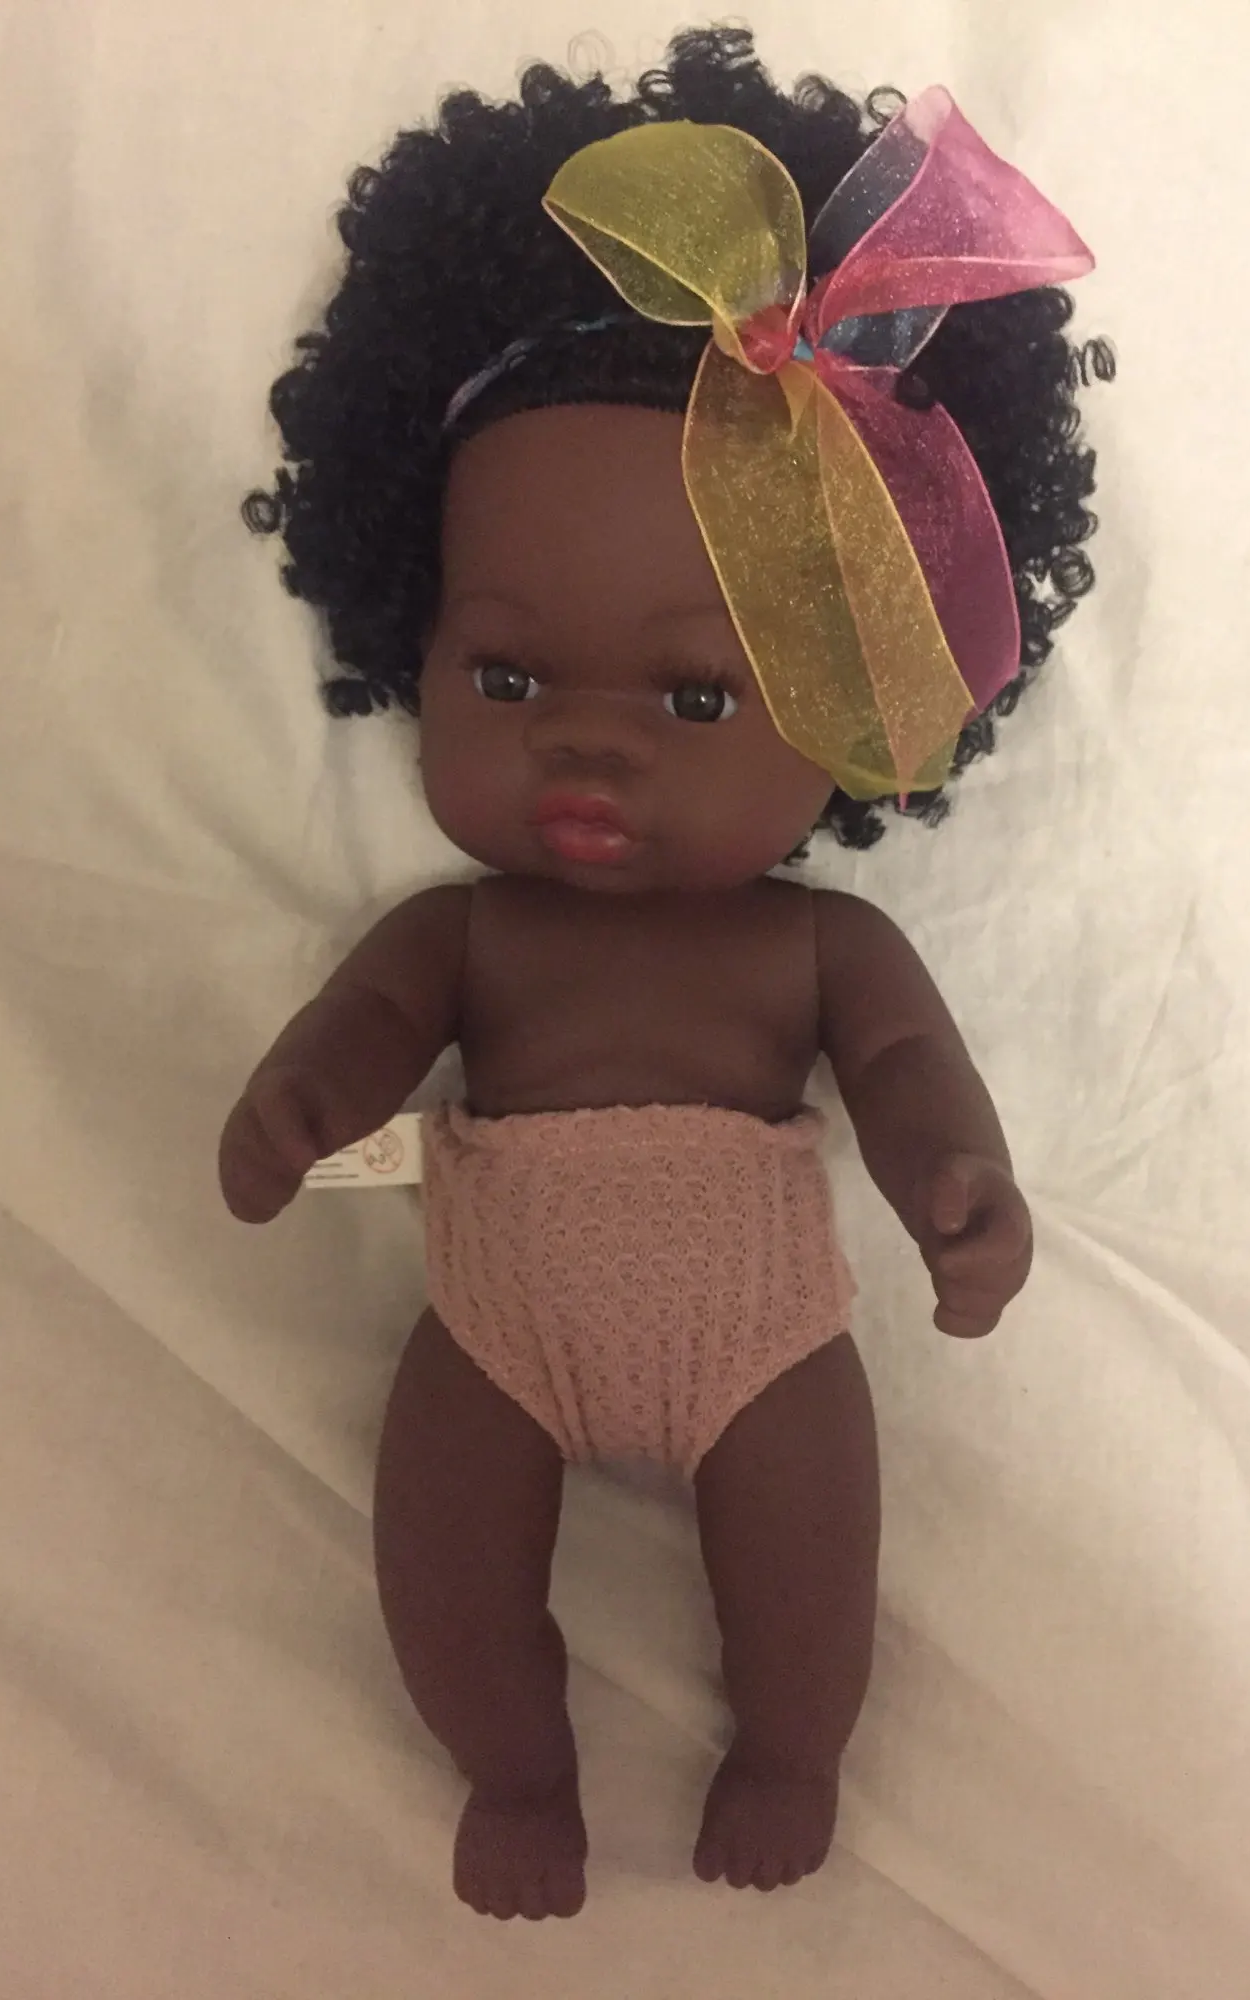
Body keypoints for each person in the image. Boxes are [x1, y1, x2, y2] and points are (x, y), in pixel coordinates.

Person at [220, 24, 1111, 1922]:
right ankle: (517, 1766)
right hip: (496, 1336)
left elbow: (904, 1067)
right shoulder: (464, 933)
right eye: (508, 677)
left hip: (763, 1342)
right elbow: (372, 1022)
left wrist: (959, 1181)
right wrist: (307, 1096)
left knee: (809, 1585)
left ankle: (791, 1750)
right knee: (441, 1572)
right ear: (414, 643)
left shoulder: (816, 943)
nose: (585, 745)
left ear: (844, 711)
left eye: (699, 698)